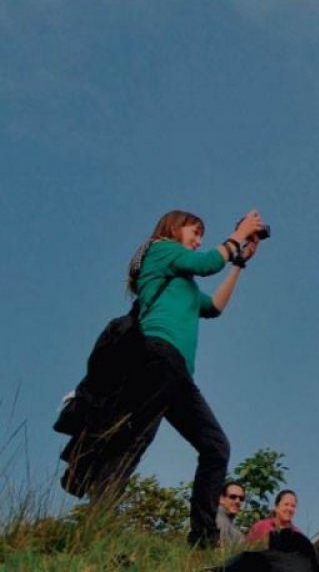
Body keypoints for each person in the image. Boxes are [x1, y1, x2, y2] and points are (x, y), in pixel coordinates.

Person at [119, 209, 267, 546]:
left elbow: (214, 307)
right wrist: (240, 233)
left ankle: (203, 539)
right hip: (157, 356)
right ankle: (98, 515)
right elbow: (206, 264)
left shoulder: (183, 283)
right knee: (135, 441)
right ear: (174, 227)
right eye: (195, 231)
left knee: (215, 447)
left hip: (178, 372)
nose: (198, 239)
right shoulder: (160, 249)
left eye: (202, 235)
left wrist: (239, 263)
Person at [217, 481, 247, 546]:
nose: (237, 501)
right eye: (233, 497)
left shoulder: (228, 521)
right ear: (221, 499)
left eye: (241, 499)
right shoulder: (219, 520)